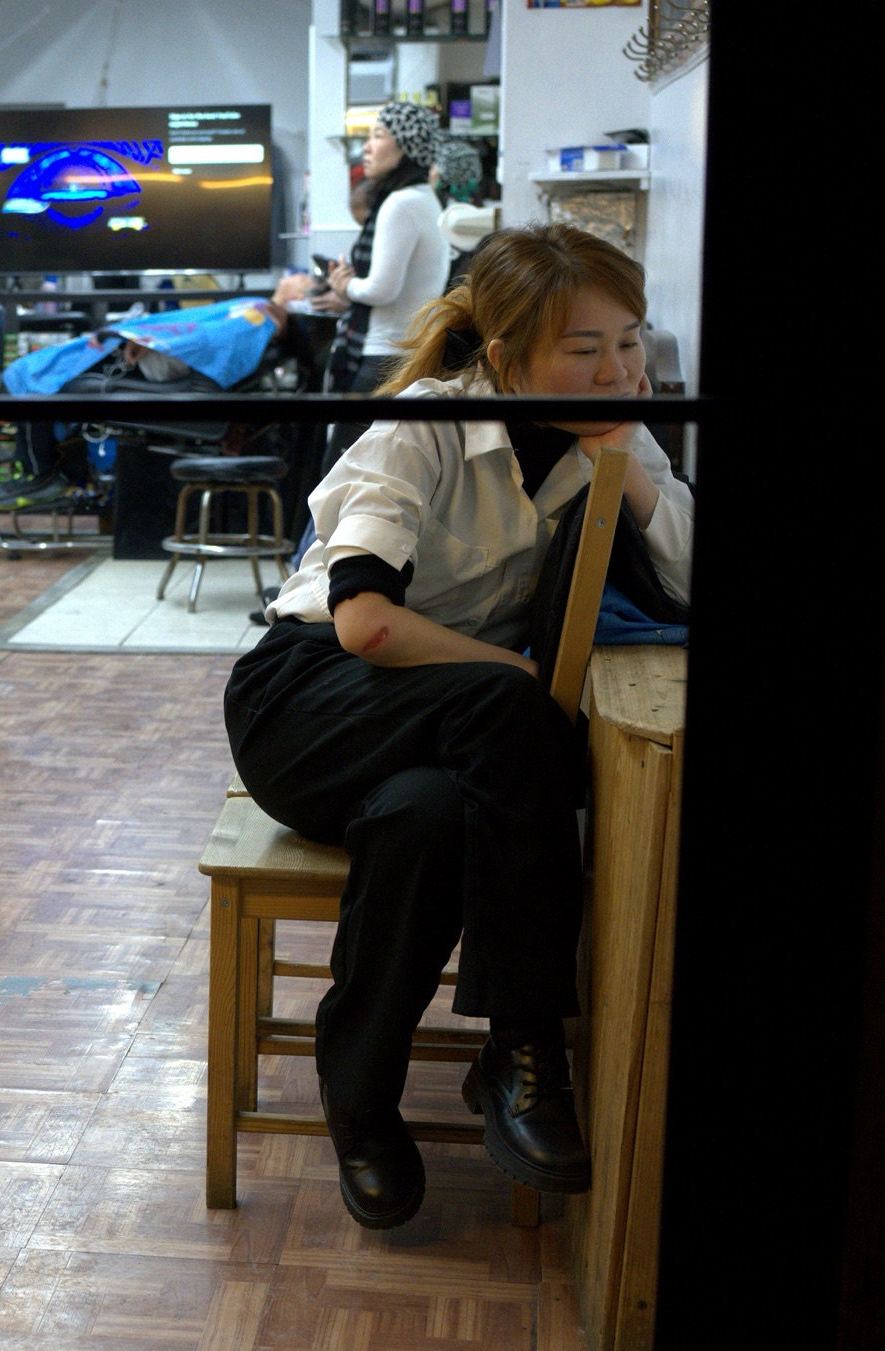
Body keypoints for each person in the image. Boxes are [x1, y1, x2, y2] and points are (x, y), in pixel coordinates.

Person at [220, 225, 693, 1229]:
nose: (620, 370)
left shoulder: (601, 431)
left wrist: (631, 467)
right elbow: (365, 622)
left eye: (632, 342)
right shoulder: (425, 423)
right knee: (515, 711)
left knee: (430, 817)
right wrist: (518, 675)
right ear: (508, 355)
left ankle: (360, 1100)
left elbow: (692, 573)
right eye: (586, 349)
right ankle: (524, 1048)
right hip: (307, 706)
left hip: (445, 735)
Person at [320, 101, 447, 421]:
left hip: (381, 355)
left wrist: (346, 285)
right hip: (403, 352)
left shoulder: (400, 203)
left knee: (347, 467)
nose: (367, 147)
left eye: (378, 135)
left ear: (405, 146)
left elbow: (381, 290)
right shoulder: (423, 198)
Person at [431, 136, 498, 291]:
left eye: (435, 167)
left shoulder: (448, 215)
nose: (431, 172)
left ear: (446, 174)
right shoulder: (478, 210)